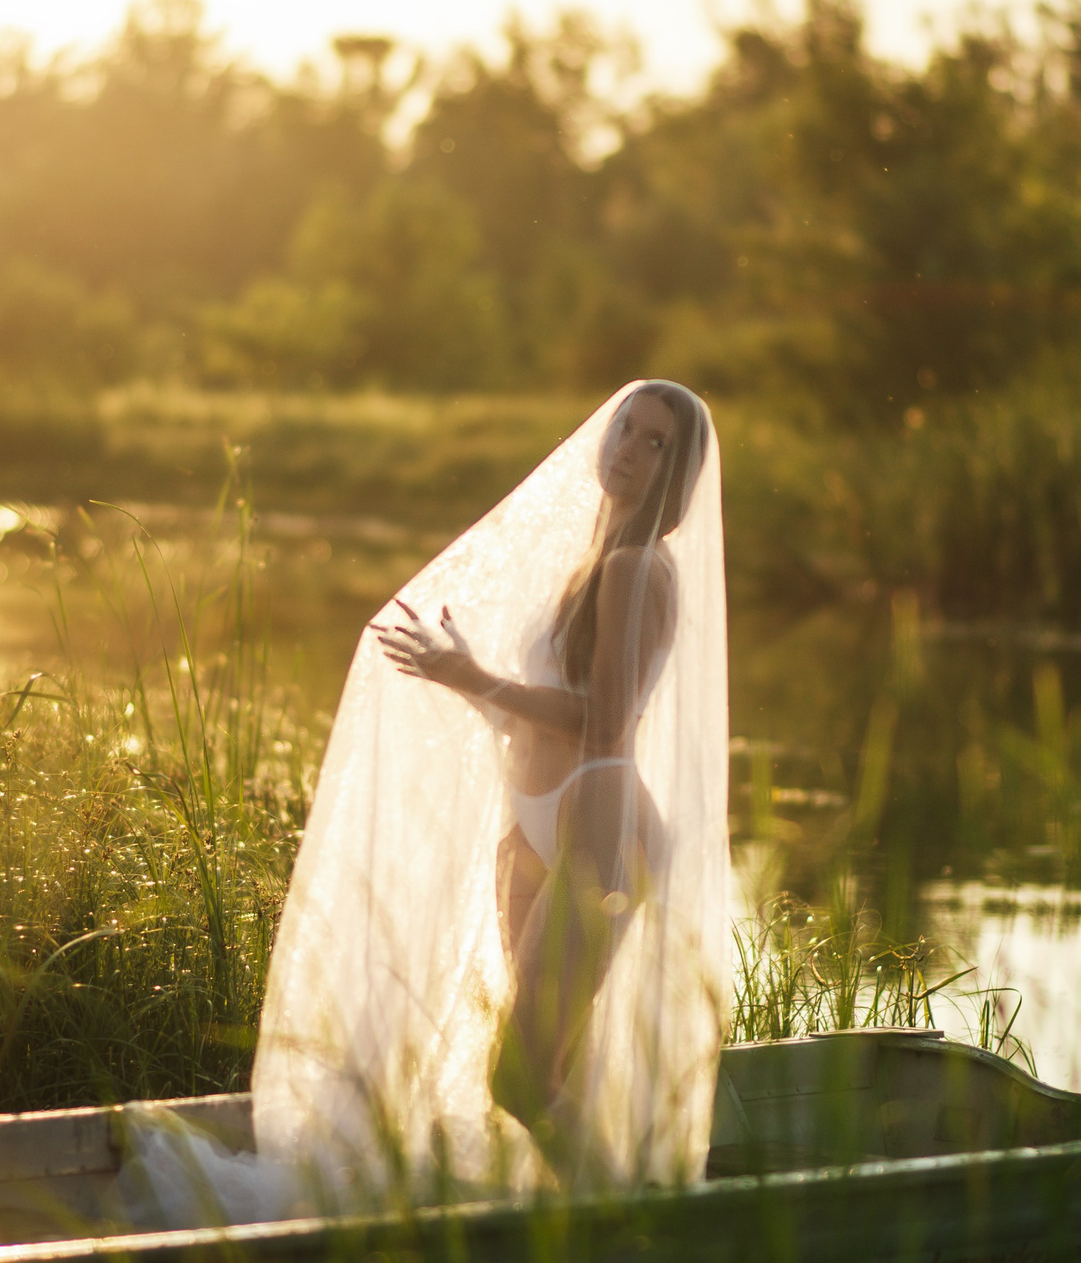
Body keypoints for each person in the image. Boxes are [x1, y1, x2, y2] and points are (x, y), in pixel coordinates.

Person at [252, 381, 730, 1206]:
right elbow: (544, 708)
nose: (627, 447)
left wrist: (479, 676)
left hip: (600, 826)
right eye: (625, 426)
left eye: (655, 442)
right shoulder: (591, 559)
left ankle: (630, 1231)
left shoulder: (634, 567)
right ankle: (576, 1230)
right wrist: (464, 679)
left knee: (518, 1078)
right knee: (553, 1066)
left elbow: (609, 721)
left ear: (676, 472)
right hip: (539, 826)